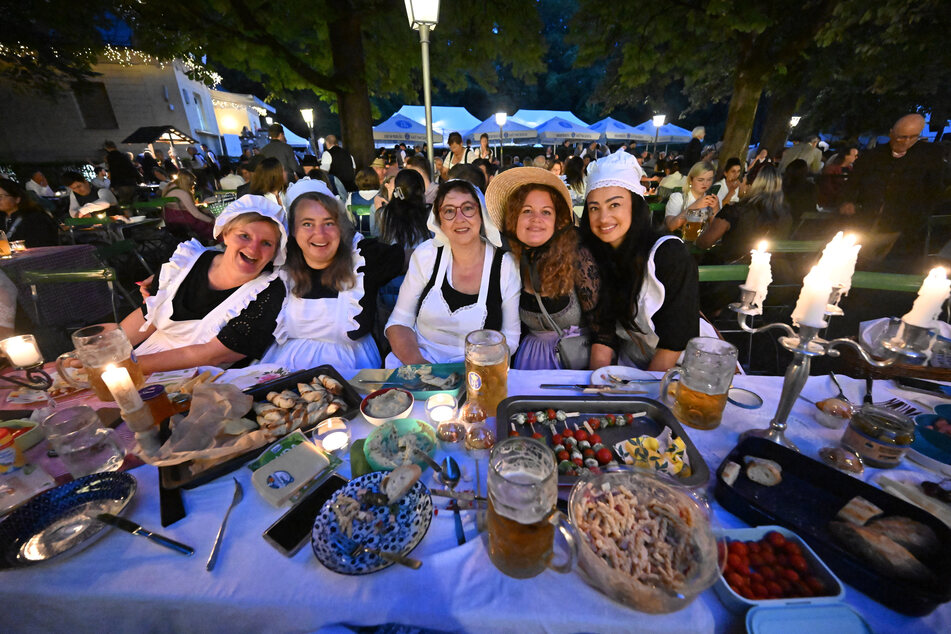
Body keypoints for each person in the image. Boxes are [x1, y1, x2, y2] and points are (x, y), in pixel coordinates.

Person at [120, 195, 288, 373]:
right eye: (244, 236)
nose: (253, 249)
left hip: (201, 382)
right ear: (226, 234)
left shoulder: (269, 292)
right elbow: (147, 317)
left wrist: (126, 366)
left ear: (275, 252)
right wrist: (104, 354)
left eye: (266, 243)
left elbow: (213, 355)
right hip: (140, 363)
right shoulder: (185, 262)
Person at [580, 151, 709, 370]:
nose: (603, 218)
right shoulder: (597, 257)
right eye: (594, 208)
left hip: (684, 369)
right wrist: (596, 382)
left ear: (635, 205)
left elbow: (675, 343)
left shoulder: (668, 253)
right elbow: (604, 332)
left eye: (614, 205)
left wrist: (639, 398)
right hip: (633, 366)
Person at [259, 182, 404, 370]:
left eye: (328, 223)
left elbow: (420, 259)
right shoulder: (278, 262)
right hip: (284, 369)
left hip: (353, 371)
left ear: (341, 227)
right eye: (307, 224)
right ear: (292, 230)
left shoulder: (364, 256)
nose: (319, 234)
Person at [384, 179, 520, 367]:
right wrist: (422, 368)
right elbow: (399, 322)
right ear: (439, 219)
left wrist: (468, 371)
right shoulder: (426, 255)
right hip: (419, 366)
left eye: (468, 208)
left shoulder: (506, 265)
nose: (459, 219)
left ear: (481, 214)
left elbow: (510, 339)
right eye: (449, 211)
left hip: (481, 370)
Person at [485, 167, 611, 370]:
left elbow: (604, 331)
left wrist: (594, 387)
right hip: (527, 365)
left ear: (557, 220)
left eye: (546, 212)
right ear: (513, 219)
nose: (536, 219)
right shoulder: (510, 260)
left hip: (575, 368)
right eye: (527, 211)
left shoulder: (578, 255)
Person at [839, 114, 944, 248]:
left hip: (905, 226)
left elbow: (934, 189)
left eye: (912, 137)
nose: (905, 142)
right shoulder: (872, 156)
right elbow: (852, 183)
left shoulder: (928, 158)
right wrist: (848, 201)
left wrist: (921, 214)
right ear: (891, 133)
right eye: (901, 136)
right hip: (866, 221)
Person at [697, 165, 792, 258]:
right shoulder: (785, 214)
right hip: (773, 270)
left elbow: (705, 242)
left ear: (750, 185)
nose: (739, 184)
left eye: (742, 180)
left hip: (735, 270)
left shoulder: (734, 211)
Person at [378, 170, 430, 249]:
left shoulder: (385, 213)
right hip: (423, 258)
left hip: (394, 258)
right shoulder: (428, 213)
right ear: (419, 191)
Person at [664, 162, 721, 233]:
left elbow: (715, 231)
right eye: (700, 180)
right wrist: (695, 206)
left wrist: (715, 210)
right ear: (691, 180)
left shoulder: (712, 199)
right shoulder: (678, 197)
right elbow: (671, 226)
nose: (705, 183)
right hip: (680, 241)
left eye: (709, 179)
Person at [0, 179, 59, 247]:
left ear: (17, 199)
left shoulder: (35, 218)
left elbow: (43, 245)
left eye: (0, 197)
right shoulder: (2, 219)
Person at [162, 170, 215, 242]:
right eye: (192, 183)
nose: (193, 186)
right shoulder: (182, 193)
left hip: (170, 220)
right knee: (210, 224)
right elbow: (196, 214)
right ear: (187, 182)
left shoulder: (168, 187)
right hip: (183, 221)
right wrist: (212, 221)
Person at [103, 140, 140, 205]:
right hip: (131, 181)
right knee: (132, 202)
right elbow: (132, 168)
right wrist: (139, 179)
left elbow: (113, 171)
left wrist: (112, 185)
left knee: (123, 202)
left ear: (107, 148)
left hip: (121, 183)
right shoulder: (123, 156)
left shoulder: (111, 157)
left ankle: (128, 214)